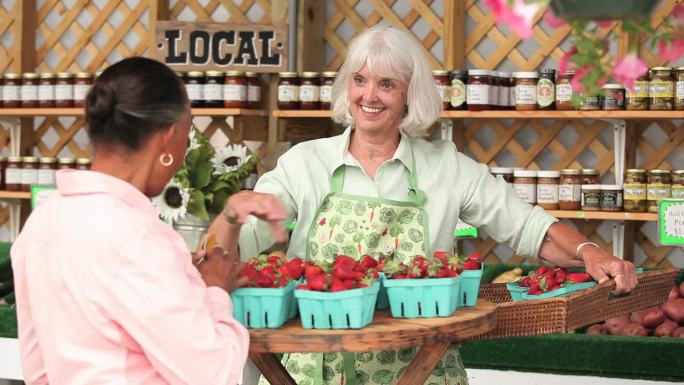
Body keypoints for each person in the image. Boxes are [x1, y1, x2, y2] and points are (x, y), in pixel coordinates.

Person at [210, 25, 638, 385]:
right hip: (314, 373)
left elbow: (528, 226)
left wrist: (589, 252)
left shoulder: (445, 166)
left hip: (421, 369)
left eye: (387, 84)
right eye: (359, 80)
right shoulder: (305, 163)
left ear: (410, 95)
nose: (369, 95)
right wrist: (230, 218)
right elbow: (241, 240)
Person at [10, 57, 285, 385]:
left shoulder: (41, 224)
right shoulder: (139, 238)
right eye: (189, 131)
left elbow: (36, 366)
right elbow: (212, 372)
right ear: (168, 139)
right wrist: (214, 289)